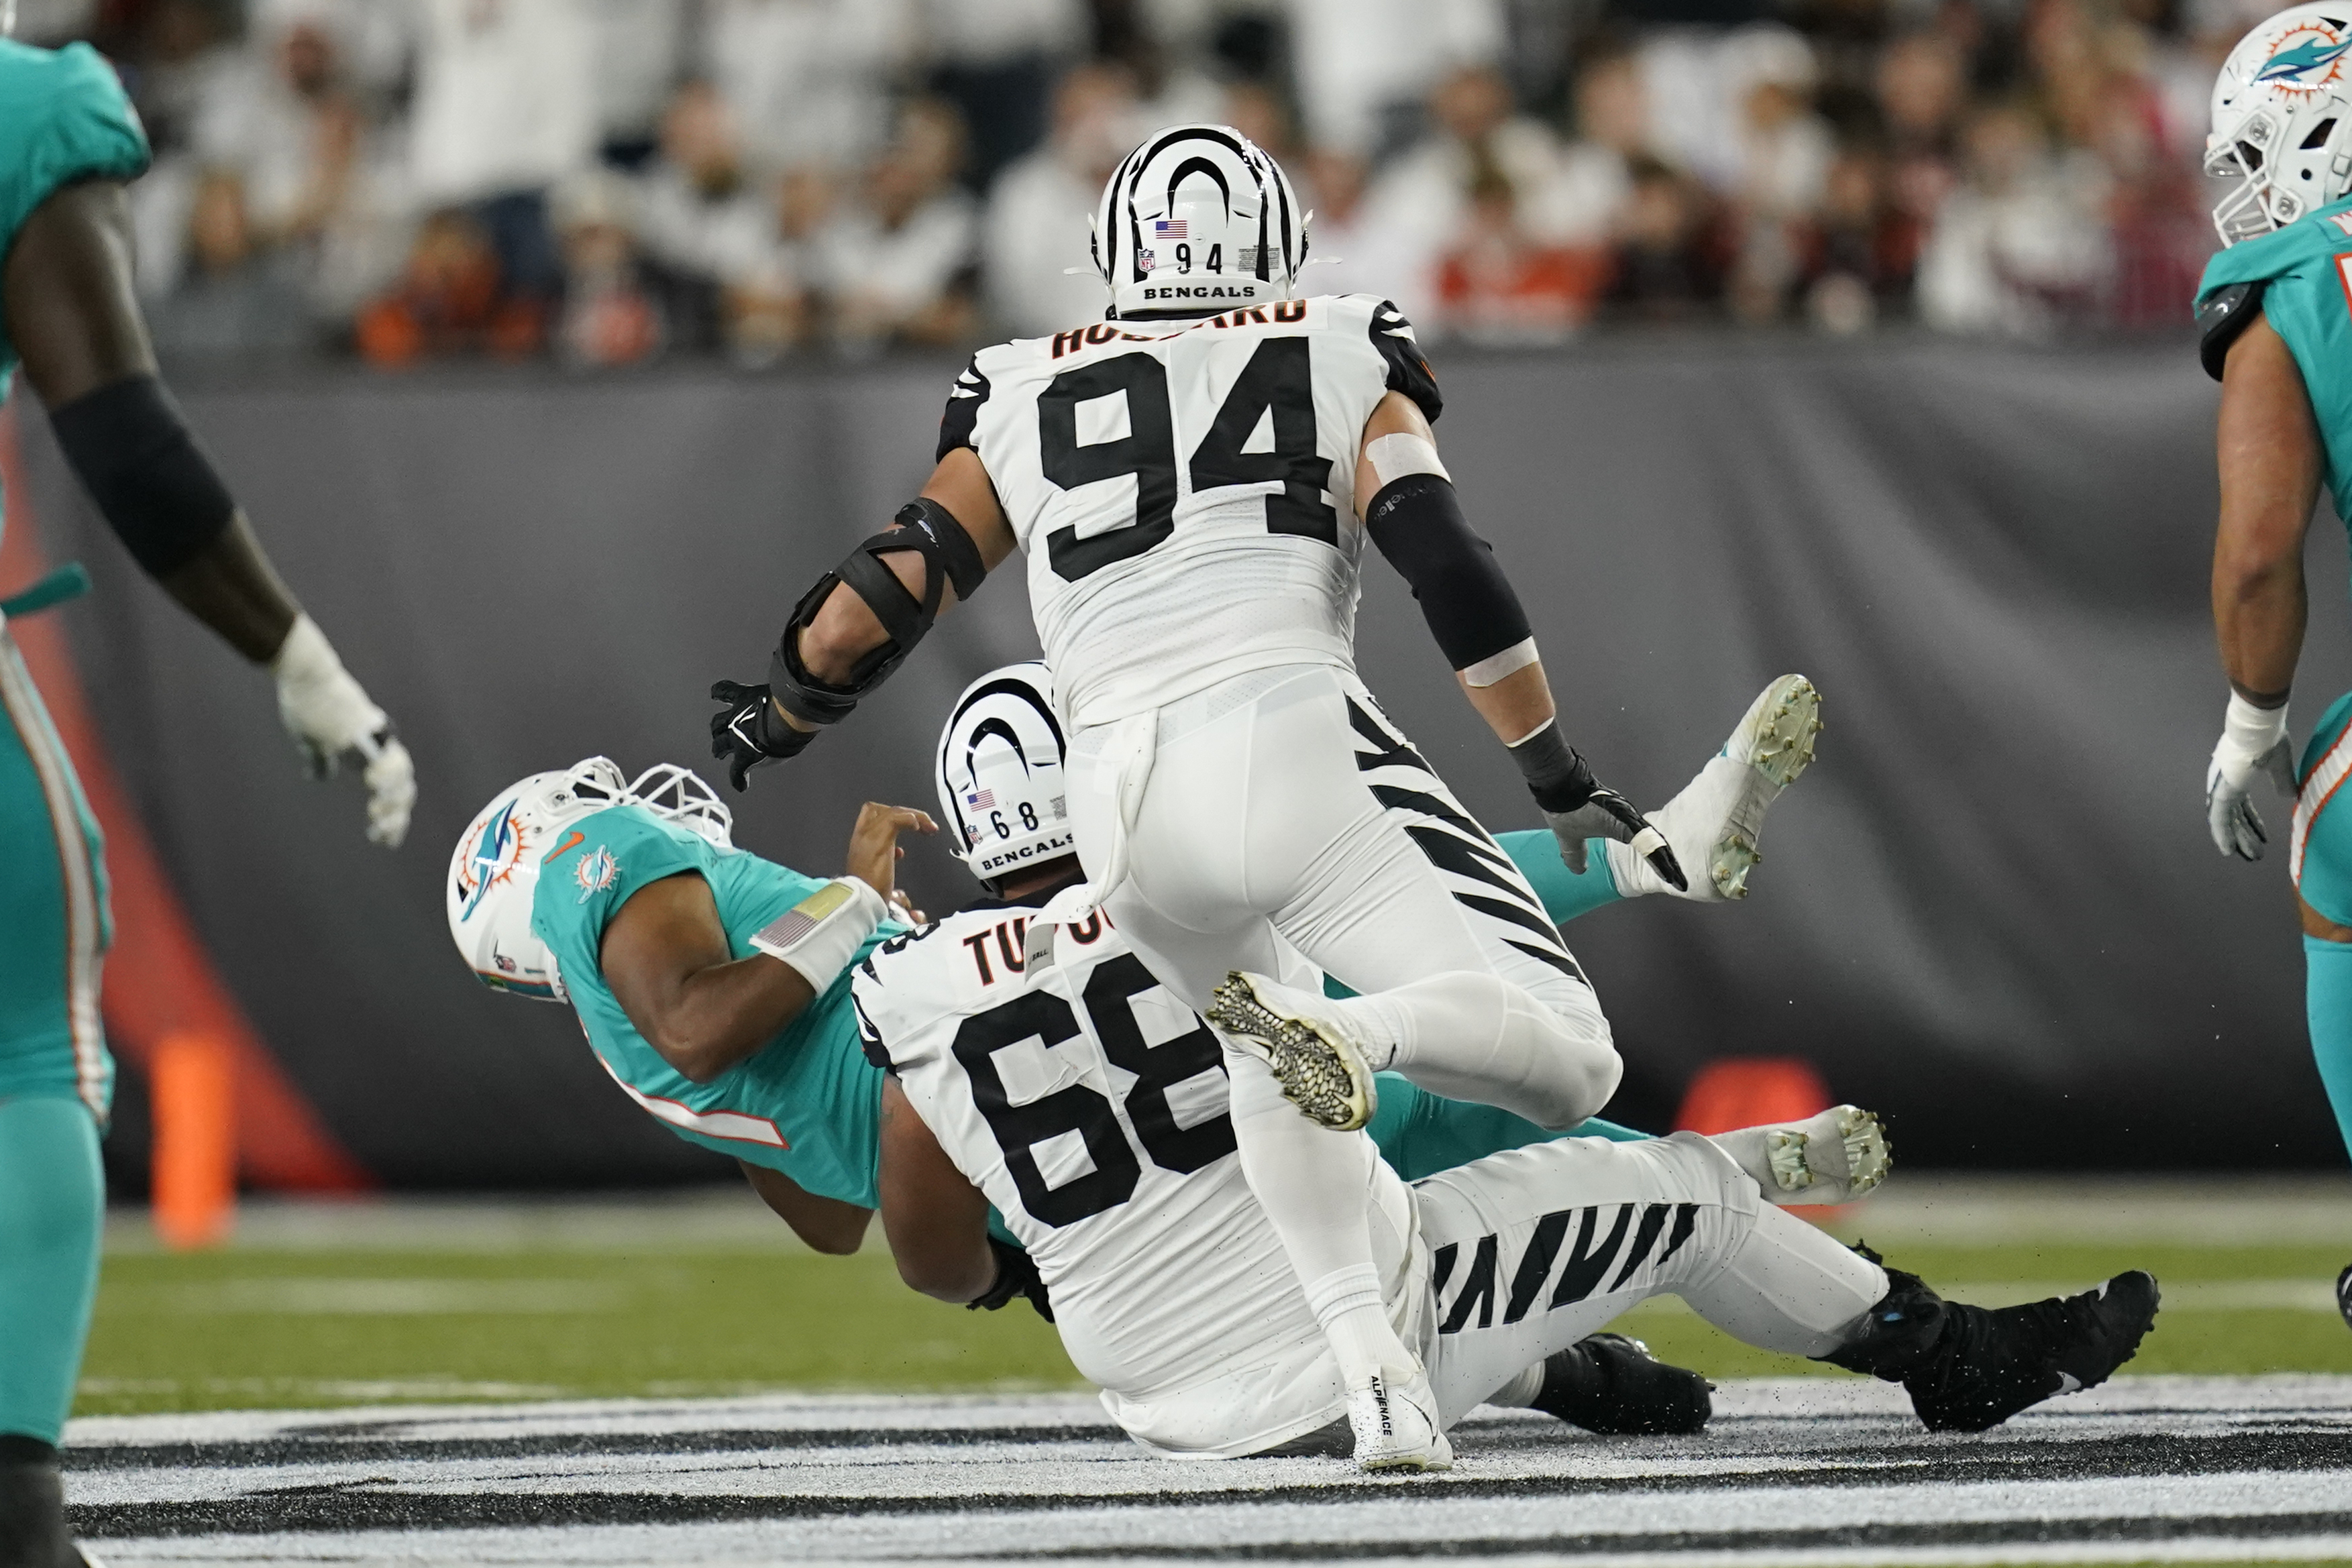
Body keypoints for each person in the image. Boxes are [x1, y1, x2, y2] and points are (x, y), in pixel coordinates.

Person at [709, 123, 1701, 1466]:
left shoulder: (1017, 382)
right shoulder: (1341, 339)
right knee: (1565, 1057)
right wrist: (1552, 766)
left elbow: (870, 606)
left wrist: (782, 710)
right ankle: (1380, 1068)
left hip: (1124, 813)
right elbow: (1449, 567)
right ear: (1276, 242)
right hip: (1292, 741)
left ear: (1114, 252)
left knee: (1259, 1081)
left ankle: (1379, 1378)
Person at [447, 665, 1876, 1441]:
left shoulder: (637, 1063)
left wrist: (985, 1220)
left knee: (1390, 1148)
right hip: (1012, 1077)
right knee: (1346, 927)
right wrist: (848, 913)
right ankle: (1649, 887)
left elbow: (835, 1218)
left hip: (1035, 1182)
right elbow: (728, 1010)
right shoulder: (600, 857)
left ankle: (1612, 1309)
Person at [857, 668, 2160, 1462]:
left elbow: (934, 1257)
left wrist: (1044, 1256)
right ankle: (1952, 1354)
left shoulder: (911, 990)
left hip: (1163, 1400)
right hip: (1348, 1341)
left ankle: (1581, 1370)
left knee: (1438, 1183)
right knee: (1680, 1194)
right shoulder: (1210, 893)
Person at [0, 30, 415, 1568]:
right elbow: (119, 435)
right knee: (28, 1039)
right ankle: (14, 1508)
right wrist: (297, 652)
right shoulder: (30, 112)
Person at [2194, 2, 2352, 1335]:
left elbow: (2257, 547)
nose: (2239, 187)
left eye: (2252, 151)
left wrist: (2254, 718)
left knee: (2335, 827)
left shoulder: (2302, 270)